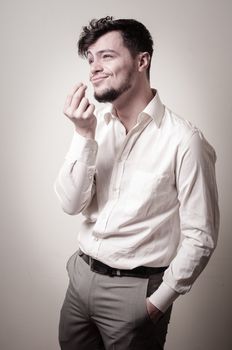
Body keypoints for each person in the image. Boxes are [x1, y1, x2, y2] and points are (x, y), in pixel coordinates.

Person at [54, 16, 219, 350]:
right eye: (90, 59)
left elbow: (201, 236)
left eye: (106, 56)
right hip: (80, 279)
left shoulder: (185, 140)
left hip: (135, 292)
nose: (93, 68)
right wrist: (83, 135)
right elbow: (70, 205)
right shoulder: (94, 126)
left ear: (142, 60)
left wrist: (157, 303)